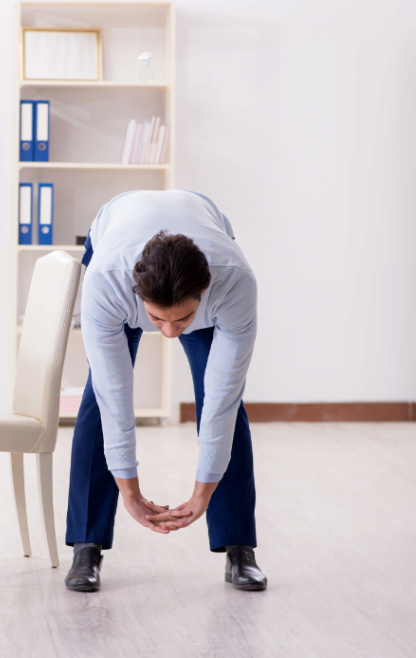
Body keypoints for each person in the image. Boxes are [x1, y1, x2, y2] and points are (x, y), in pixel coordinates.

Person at [64, 188, 267, 593]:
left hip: (203, 228)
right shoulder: (106, 284)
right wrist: (131, 491)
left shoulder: (234, 283)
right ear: (139, 300)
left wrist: (202, 491)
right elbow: (115, 396)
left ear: (204, 293)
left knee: (223, 400)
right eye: (158, 320)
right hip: (116, 232)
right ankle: (87, 547)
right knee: (98, 398)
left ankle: (238, 547)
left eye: (185, 318)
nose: (172, 333)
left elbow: (222, 399)